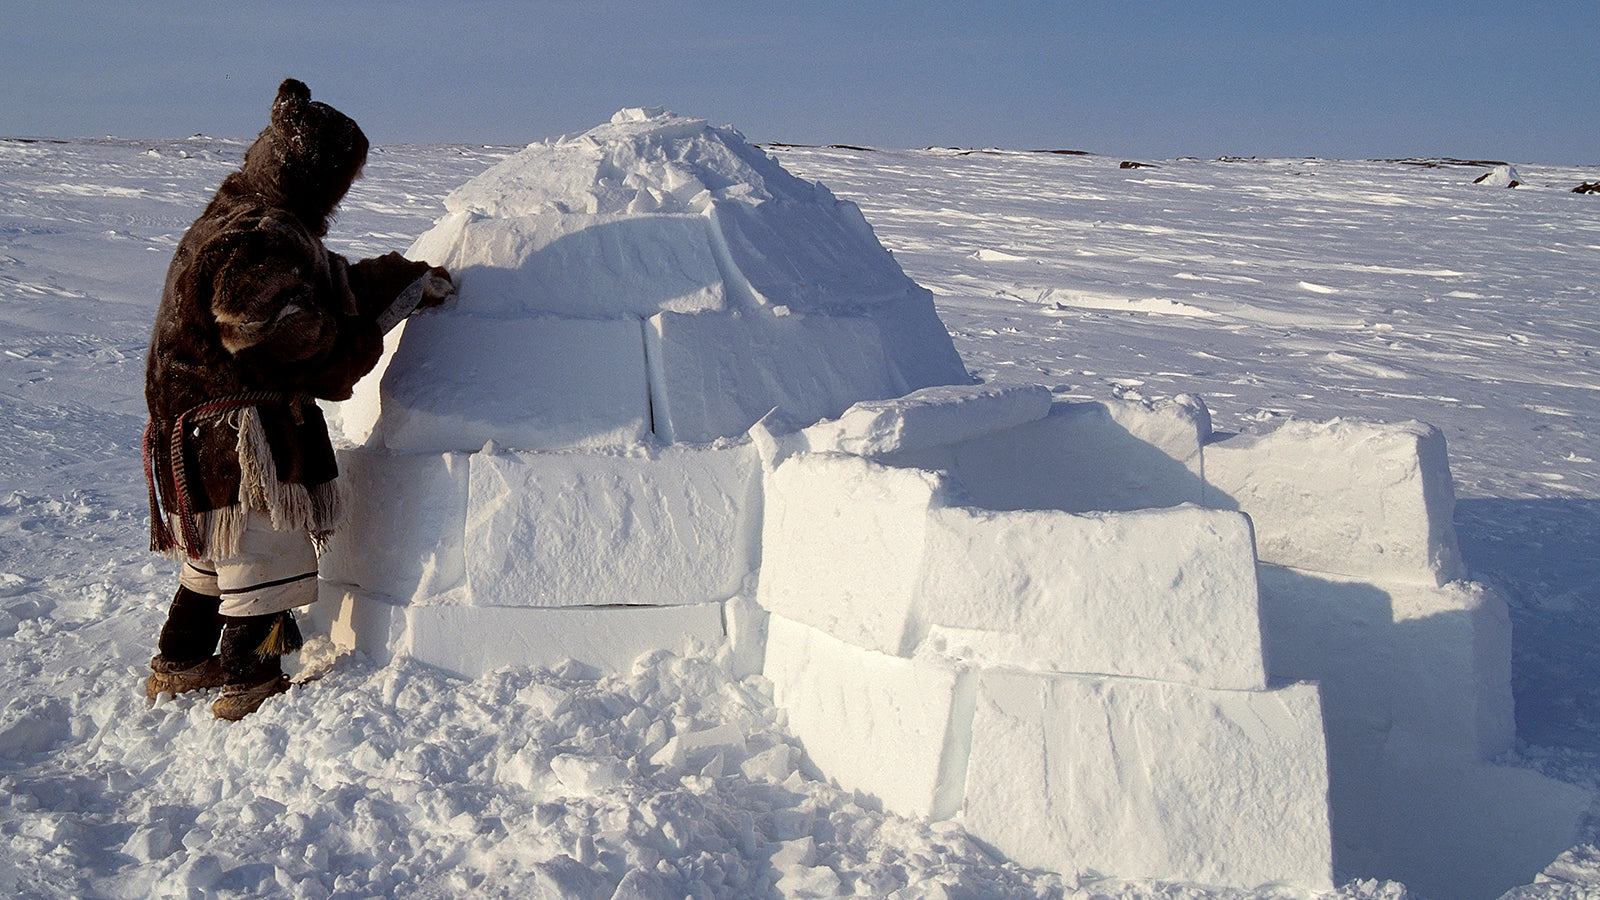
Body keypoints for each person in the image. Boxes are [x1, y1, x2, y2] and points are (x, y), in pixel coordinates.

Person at [142, 78, 453, 720]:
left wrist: (400, 281)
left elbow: (324, 286)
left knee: (218, 554)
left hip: (194, 432)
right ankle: (249, 675)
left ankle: (181, 660)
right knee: (262, 555)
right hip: (239, 436)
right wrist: (345, 350)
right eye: (342, 179)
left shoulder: (239, 217)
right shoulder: (262, 232)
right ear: (314, 175)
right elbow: (270, 324)